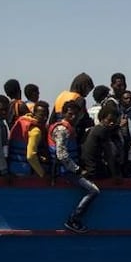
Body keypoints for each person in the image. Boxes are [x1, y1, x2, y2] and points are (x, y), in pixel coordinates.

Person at [47, 98, 99, 233]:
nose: (73, 117)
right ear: (64, 114)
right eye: (70, 114)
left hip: (69, 168)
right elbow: (61, 154)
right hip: (66, 171)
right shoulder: (62, 130)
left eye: (76, 114)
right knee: (93, 190)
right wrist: (78, 170)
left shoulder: (71, 129)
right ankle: (74, 219)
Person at [81, 104, 124, 181]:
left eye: (114, 121)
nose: (112, 123)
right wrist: (114, 175)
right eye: (109, 120)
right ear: (102, 118)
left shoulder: (93, 129)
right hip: (93, 170)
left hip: (86, 167)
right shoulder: (102, 131)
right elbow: (109, 155)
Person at [8, 100, 50, 176]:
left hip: (11, 166)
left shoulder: (21, 121)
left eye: (47, 115)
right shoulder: (35, 131)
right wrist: (42, 174)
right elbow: (30, 156)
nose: (45, 118)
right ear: (34, 113)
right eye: (42, 115)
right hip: (23, 170)